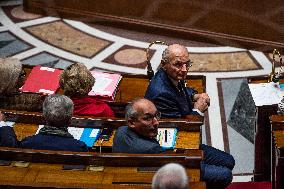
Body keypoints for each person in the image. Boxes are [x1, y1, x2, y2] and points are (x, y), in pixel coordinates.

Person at [113, 98, 234, 189]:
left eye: (156, 115)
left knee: (228, 160)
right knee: (225, 174)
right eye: (147, 118)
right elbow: (180, 165)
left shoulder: (121, 130)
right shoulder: (151, 149)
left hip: (157, 162)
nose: (156, 123)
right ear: (131, 122)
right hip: (168, 171)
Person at [0, 94, 88, 152]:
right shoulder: (79, 147)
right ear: (69, 120)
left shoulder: (28, 143)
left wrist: (2, 124)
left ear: (44, 117)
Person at [145, 44, 210, 118]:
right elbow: (180, 126)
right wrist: (197, 111)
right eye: (178, 64)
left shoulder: (170, 74)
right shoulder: (162, 95)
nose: (184, 70)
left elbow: (179, 91)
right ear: (163, 64)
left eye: (187, 64)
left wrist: (194, 96)